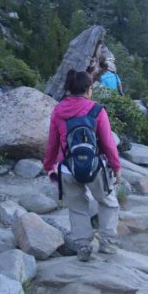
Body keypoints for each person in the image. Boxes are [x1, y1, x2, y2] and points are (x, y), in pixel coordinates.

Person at [43, 69, 121, 262]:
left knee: (77, 207)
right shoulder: (97, 110)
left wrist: (48, 166)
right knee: (108, 201)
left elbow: (52, 143)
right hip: (95, 167)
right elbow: (108, 143)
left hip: (68, 168)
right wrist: (116, 166)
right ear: (88, 89)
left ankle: (83, 246)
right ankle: (108, 243)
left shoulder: (59, 111)